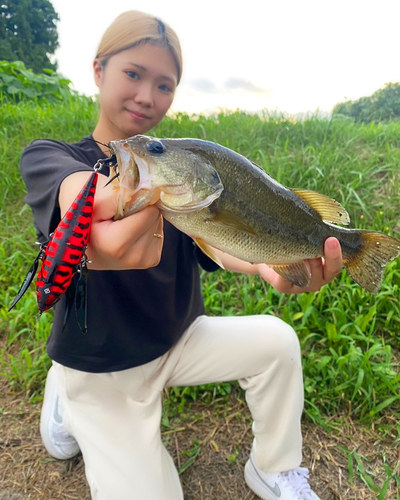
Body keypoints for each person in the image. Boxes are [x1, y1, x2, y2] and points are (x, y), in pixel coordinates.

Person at [20, 10, 343, 500]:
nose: (147, 96)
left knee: (277, 342)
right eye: (133, 74)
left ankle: (275, 467)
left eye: (165, 85)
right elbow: (74, 192)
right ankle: (65, 394)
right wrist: (97, 205)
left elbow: (225, 243)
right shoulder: (48, 157)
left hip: (180, 339)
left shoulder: (182, 175)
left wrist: (270, 263)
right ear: (98, 69)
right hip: (101, 365)